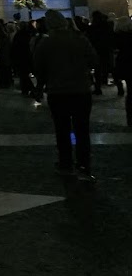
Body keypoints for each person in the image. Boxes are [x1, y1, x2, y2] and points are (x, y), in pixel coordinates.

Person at [34, 10, 97, 182]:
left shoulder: (46, 43)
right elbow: (94, 60)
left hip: (58, 92)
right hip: (81, 90)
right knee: (82, 129)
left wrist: (39, 88)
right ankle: (84, 165)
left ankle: (66, 163)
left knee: (62, 129)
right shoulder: (80, 39)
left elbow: (39, 69)